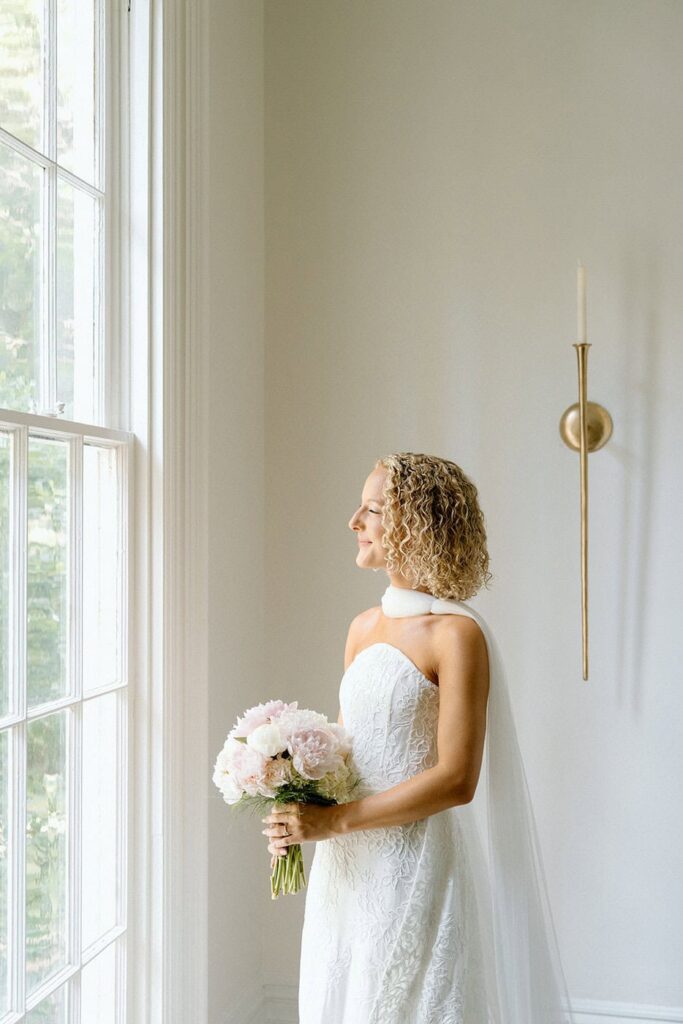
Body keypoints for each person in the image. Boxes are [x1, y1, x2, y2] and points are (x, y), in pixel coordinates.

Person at [262, 452, 575, 1023]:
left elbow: (457, 780)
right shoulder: (362, 627)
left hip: (415, 866)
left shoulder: (457, 636)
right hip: (347, 868)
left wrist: (333, 821)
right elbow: (343, 755)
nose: (354, 521)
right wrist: (291, 797)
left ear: (415, 525)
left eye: (373, 509)